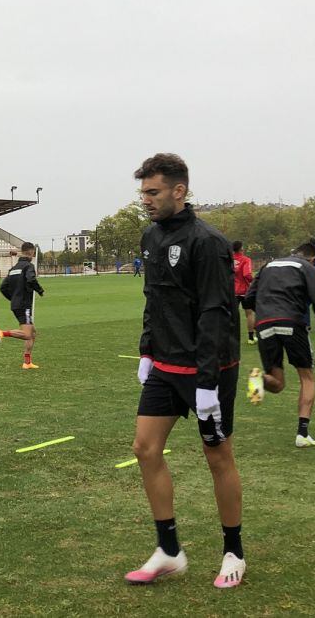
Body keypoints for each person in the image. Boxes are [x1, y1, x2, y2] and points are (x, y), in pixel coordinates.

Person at [125, 153, 245, 589]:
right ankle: (169, 550)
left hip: (207, 368)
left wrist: (209, 382)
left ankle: (234, 550)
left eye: (153, 192)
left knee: (217, 456)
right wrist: (146, 351)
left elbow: (216, 311)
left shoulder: (208, 241)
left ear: (180, 190)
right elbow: (153, 299)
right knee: (145, 448)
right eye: (143, 193)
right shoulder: (150, 236)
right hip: (164, 365)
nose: (147, 201)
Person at [242, 242, 315, 447]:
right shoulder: (307, 267)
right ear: (313, 258)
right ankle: (302, 434)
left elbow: (248, 299)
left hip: (264, 324)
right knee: (307, 377)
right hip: (291, 321)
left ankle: (259, 378)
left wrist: (265, 311)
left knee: (277, 383)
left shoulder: (268, 266)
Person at [0, 242, 44, 369]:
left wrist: (13, 299)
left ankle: (27, 362)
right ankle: (2, 333)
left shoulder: (13, 269)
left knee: (32, 333)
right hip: (24, 305)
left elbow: (3, 287)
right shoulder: (29, 266)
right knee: (27, 334)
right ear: (31, 252)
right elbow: (31, 279)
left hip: (16, 304)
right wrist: (39, 290)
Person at [232, 242, 256, 344]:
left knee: (232, 315)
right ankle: (251, 338)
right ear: (241, 249)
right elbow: (247, 274)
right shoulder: (246, 259)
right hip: (244, 291)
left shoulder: (229, 259)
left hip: (232, 291)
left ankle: (230, 339)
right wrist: (253, 282)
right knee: (249, 313)